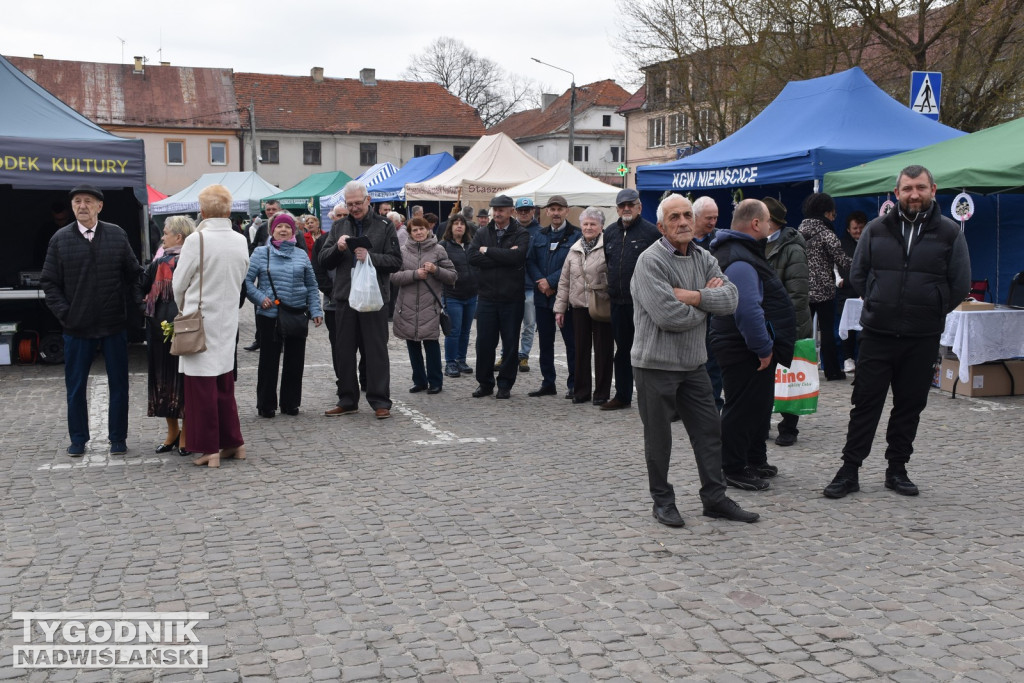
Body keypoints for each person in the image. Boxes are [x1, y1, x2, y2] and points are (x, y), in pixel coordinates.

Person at [824, 165, 970, 499]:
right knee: (865, 404)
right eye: (907, 189)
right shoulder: (876, 230)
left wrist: (930, 308)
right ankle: (849, 471)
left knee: (909, 405)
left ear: (933, 189)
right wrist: (877, 300)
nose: (914, 194)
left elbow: (959, 282)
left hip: (921, 336)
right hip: (877, 333)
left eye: (920, 187)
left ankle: (897, 469)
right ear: (896, 193)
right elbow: (858, 275)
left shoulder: (949, 233)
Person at [631, 194, 757, 527]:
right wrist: (707, 303)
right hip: (654, 364)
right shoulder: (650, 261)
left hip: (694, 364)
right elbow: (667, 316)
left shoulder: (704, 256)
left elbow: (731, 299)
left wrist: (692, 296)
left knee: (709, 432)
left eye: (688, 215)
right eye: (674, 217)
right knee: (659, 440)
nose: (684, 222)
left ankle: (714, 498)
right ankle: (663, 501)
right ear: (661, 226)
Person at [40, 184, 143, 457]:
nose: (81, 206)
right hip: (76, 328)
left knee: (119, 385)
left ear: (100, 206)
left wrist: (137, 308)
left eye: (88, 201)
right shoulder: (60, 240)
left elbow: (135, 274)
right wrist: (67, 314)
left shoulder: (117, 235)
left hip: (113, 325)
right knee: (75, 387)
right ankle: (78, 439)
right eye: (76, 201)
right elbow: (49, 284)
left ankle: (118, 438)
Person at [710, 199, 796, 491]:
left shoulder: (740, 252)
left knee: (757, 406)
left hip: (741, 344)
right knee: (741, 408)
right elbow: (747, 309)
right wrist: (763, 347)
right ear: (756, 223)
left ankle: (753, 459)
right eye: (769, 220)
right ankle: (733, 467)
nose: (772, 226)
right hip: (742, 347)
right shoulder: (740, 259)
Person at [172, 184, 250, 468]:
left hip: (200, 319)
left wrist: (184, 308)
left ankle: (209, 449)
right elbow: (242, 276)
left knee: (200, 388)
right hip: (227, 318)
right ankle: (233, 443)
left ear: (202, 210)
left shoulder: (197, 240)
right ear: (229, 210)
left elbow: (179, 284)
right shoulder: (240, 239)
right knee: (223, 384)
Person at [318, 180, 402, 419]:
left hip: (374, 299)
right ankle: (347, 400)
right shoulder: (339, 226)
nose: (354, 207)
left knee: (375, 351)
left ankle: (380, 401)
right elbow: (324, 260)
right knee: (344, 351)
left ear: (368, 201)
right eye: (350, 203)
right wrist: (339, 249)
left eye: (358, 203)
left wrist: (370, 257)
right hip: (345, 298)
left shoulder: (385, 225)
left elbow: (396, 261)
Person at [245, 213, 324, 418]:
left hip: (296, 313)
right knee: (269, 361)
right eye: (279, 226)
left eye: (287, 227)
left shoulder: (300, 254)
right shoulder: (261, 253)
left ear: (294, 231)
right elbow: (246, 282)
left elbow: (312, 285)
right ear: (272, 230)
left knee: (295, 361)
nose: (283, 230)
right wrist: (260, 298)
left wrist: (316, 310)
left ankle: (290, 404)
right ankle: (266, 405)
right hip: (269, 315)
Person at [603, 188, 661, 411]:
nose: (626, 208)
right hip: (618, 303)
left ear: (640, 207)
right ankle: (622, 396)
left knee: (648, 353)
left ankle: (655, 400)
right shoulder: (609, 232)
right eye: (622, 205)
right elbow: (609, 262)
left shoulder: (651, 233)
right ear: (617, 209)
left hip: (644, 304)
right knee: (623, 350)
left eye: (631, 204)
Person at [468, 194, 531, 399]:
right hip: (486, 297)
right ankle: (485, 383)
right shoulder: (482, 232)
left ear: (511, 211)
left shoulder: (520, 232)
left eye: (501, 210)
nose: (497, 213)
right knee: (484, 343)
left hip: (511, 298)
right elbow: (472, 257)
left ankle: (505, 384)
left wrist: (488, 251)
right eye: (494, 209)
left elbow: (517, 257)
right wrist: (503, 256)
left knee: (510, 343)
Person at [143, 215, 195, 455]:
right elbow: (140, 287)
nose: (161, 237)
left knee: (184, 382)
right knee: (163, 382)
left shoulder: (194, 262)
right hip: (158, 332)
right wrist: (145, 308)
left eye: (165, 233)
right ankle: (172, 431)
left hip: (186, 330)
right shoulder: (157, 263)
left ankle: (186, 432)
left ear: (179, 236)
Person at [763, 197, 811, 448]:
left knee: (789, 376)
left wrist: (782, 324)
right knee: (764, 377)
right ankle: (761, 424)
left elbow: (798, 294)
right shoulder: (759, 244)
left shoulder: (792, 248)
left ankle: (789, 427)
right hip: (765, 322)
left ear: (769, 222)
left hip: (789, 323)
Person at [392, 217, 458, 393]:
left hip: (430, 307)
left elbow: (452, 276)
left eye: (422, 229)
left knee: (431, 344)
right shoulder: (402, 251)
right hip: (406, 306)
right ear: (410, 233)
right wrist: (414, 274)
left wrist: (436, 270)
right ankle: (419, 381)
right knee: (412, 345)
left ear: (428, 229)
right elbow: (393, 277)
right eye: (415, 230)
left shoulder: (438, 250)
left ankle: (436, 381)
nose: (419, 232)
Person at [553, 207, 611, 405]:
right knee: (580, 350)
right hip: (578, 306)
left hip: (601, 305)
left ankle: (602, 393)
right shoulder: (574, 249)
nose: (588, 227)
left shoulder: (608, 246)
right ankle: (581, 391)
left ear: (601, 227)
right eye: (585, 224)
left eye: (593, 224)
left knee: (603, 351)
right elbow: (564, 281)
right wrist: (560, 309)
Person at [527, 195, 581, 399]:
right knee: (545, 343)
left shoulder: (576, 235)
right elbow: (530, 262)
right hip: (542, 297)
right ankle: (548, 382)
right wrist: (542, 282)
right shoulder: (539, 236)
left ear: (567, 211)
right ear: (547, 212)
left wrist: (550, 282)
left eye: (560, 209)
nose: (556, 213)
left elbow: (572, 263)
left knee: (571, 342)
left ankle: (574, 383)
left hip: (565, 297)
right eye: (553, 209)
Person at [798, 192, 852, 381]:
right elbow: (843, 261)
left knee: (801, 332)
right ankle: (832, 371)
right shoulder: (827, 234)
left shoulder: (798, 232)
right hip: (824, 290)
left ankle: (799, 369)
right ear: (826, 213)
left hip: (802, 289)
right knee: (827, 331)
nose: (833, 218)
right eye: (832, 214)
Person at [692, 196, 724, 412]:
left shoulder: (719, 242)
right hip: (689, 309)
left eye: (715, 217)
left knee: (713, 360)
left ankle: (712, 403)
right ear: (695, 217)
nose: (712, 222)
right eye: (708, 218)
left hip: (713, 310)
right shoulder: (682, 240)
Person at [312, 204, 348, 399]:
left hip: (357, 302)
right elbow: (317, 270)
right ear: (332, 217)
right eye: (338, 215)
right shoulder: (324, 241)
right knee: (338, 345)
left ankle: (364, 377)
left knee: (362, 343)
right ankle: (342, 379)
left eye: (345, 215)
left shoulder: (355, 238)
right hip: (333, 303)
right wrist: (332, 291)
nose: (341, 218)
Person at [439, 213, 478, 378]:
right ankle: (450, 363)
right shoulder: (443, 246)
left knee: (466, 331)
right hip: (452, 294)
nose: (459, 226)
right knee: (453, 330)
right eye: (456, 223)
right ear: (451, 227)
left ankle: (461, 360)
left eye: (462, 223)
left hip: (471, 294)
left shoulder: (471, 245)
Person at [245, 199, 282, 351]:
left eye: (273, 209)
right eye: (268, 210)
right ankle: (259, 339)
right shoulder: (262, 228)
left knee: (280, 309)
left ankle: (280, 339)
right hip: (263, 276)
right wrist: (257, 255)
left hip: (281, 279)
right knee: (260, 307)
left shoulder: (288, 228)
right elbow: (253, 246)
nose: (271, 212)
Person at [512, 197, 542, 374]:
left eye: (527, 210)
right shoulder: (509, 229)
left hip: (531, 285)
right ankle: (507, 354)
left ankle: (523, 355)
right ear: (515, 211)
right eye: (521, 210)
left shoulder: (540, 231)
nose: (524, 213)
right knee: (509, 325)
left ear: (533, 211)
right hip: (511, 285)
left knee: (529, 324)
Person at [836, 211, 867, 372]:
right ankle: (848, 359)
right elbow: (834, 266)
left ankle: (863, 358)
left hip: (866, 292)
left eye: (861, 227)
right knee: (847, 326)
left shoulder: (870, 242)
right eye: (855, 228)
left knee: (865, 326)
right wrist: (838, 280)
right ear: (848, 229)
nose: (858, 231)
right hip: (846, 291)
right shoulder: (841, 244)